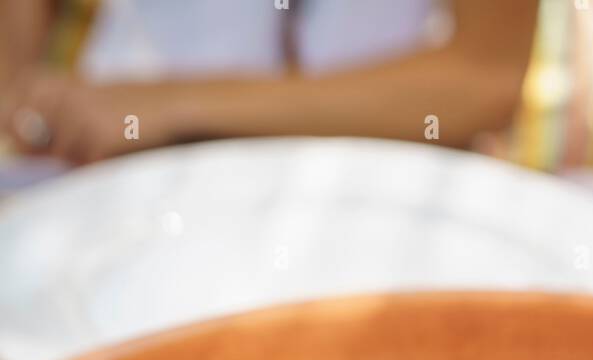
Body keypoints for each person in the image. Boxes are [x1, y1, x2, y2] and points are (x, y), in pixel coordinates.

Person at [0, 0, 539, 165]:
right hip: (119, 183)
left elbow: (483, 79)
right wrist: (25, 98)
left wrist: (171, 104)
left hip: (378, 187)